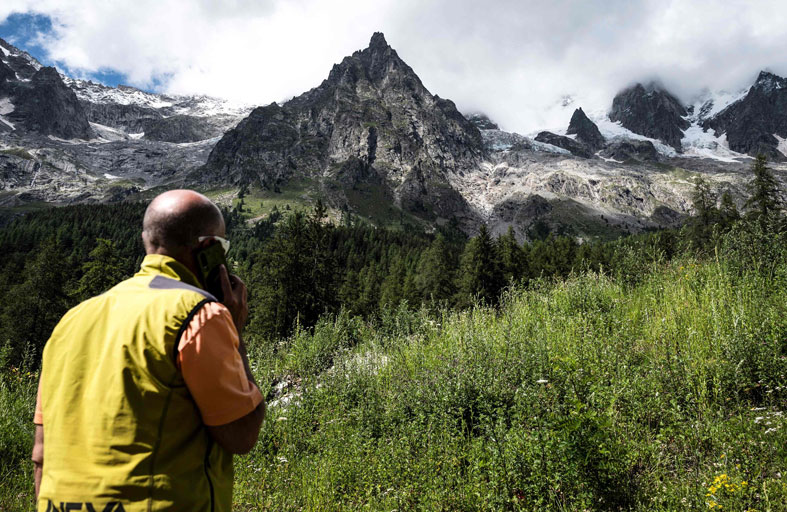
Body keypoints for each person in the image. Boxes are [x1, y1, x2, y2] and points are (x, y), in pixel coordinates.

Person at [31, 190, 265, 512]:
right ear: (209, 249)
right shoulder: (200, 314)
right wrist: (236, 329)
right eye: (222, 247)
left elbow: (41, 455)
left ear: (147, 240)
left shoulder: (71, 321)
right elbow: (241, 433)